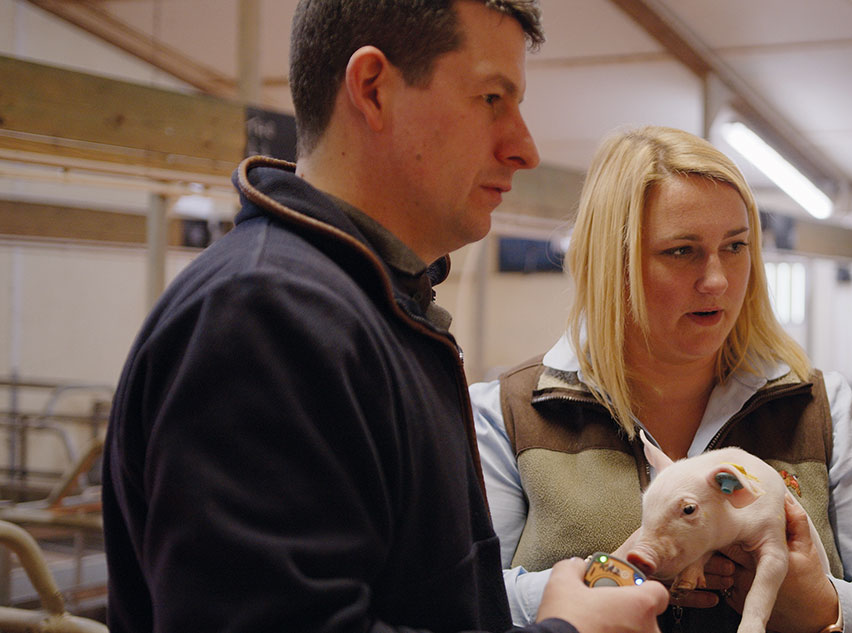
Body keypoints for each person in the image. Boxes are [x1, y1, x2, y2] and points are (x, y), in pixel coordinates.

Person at [101, 2, 669, 632]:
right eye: (490, 99)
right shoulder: (267, 316)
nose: (524, 148)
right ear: (373, 90)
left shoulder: (378, 309)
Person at [471, 126, 852, 633]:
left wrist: (827, 608)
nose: (718, 280)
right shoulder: (508, 413)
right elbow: (457, 598)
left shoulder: (820, 408)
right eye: (682, 251)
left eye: (735, 246)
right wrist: (607, 582)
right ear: (612, 264)